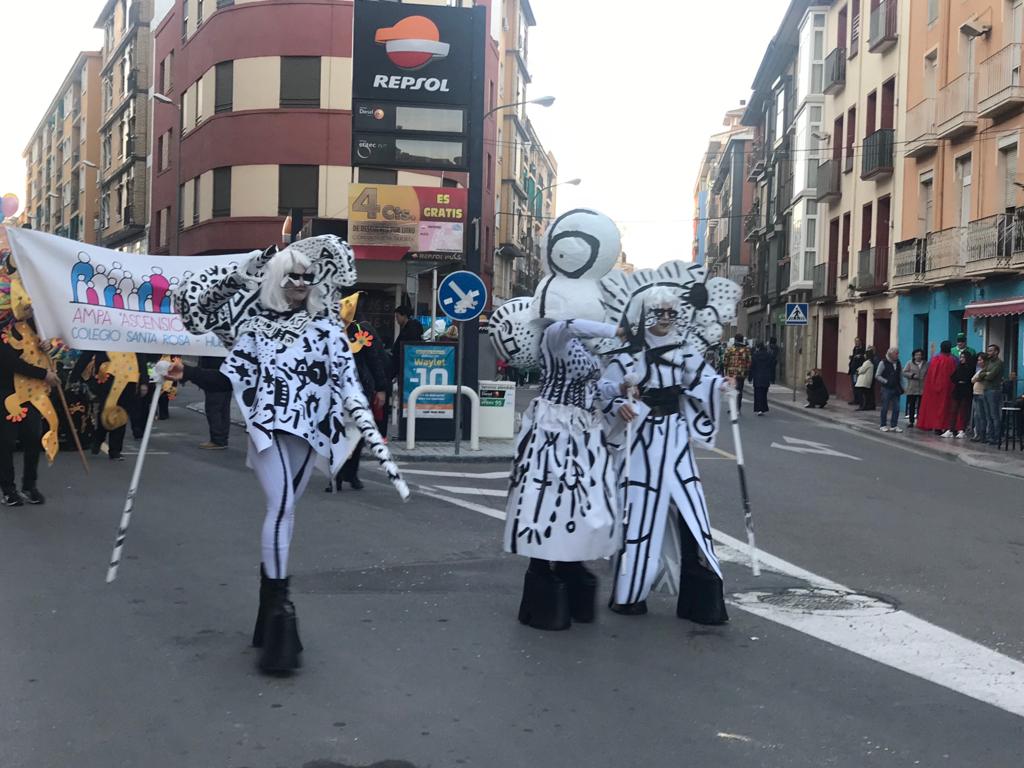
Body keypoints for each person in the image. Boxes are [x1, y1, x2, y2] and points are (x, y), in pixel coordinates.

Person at [172, 235, 408, 674]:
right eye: (292, 276)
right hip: (267, 433)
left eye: (306, 277)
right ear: (278, 280)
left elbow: (347, 384)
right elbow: (228, 378)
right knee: (280, 508)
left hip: (309, 436)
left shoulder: (327, 329)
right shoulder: (256, 330)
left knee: (287, 514)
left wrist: (373, 436)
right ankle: (281, 607)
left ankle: (268, 613)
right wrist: (184, 371)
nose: (300, 283)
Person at [603, 285, 736, 625]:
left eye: (670, 312)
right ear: (645, 314)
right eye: (658, 312)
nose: (664, 318)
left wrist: (721, 385)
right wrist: (621, 404)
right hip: (643, 441)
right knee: (641, 518)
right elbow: (605, 389)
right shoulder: (629, 351)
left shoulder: (684, 349)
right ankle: (630, 594)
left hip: (675, 438)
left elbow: (702, 378)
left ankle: (701, 598)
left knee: (695, 513)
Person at [0, 317, 60, 506]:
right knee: (6, 442)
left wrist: (48, 346)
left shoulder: (38, 327)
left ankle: (29, 485)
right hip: (7, 392)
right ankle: (8, 489)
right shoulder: (4, 328)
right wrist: (43, 374)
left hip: (33, 393)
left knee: (33, 439)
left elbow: (51, 353)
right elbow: (10, 363)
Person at [329, 313, 388, 491]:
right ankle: (346, 474)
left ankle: (344, 473)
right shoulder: (335, 331)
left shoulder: (360, 333)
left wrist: (380, 387)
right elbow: (377, 361)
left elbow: (375, 361)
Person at [70, 351, 140, 461]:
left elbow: (141, 354)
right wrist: (75, 375)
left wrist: (144, 379)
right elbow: (89, 351)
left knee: (121, 412)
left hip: (129, 377)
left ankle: (115, 450)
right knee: (105, 409)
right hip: (107, 375)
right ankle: (99, 437)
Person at [916, 341, 958, 434]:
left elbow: (930, 374)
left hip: (933, 388)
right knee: (945, 408)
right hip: (947, 388)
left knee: (934, 408)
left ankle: (935, 426)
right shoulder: (951, 360)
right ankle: (943, 426)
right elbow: (954, 375)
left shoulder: (935, 359)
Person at [977, 344, 1005, 446]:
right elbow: (980, 374)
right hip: (986, 389)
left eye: (991, 351)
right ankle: (990, 437)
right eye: (988, 351)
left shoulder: (999, 363)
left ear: (996, 352)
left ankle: (996, 437)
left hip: (994, 390)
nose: (989, 353)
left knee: (994, 415)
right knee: (988, 415)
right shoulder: (988, 362)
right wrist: (985, 373)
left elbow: (991, 376)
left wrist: (986, 374)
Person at [944, 351, 974, 439]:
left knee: (963, 412)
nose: (961, 359)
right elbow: (953, 377)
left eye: (963, 357)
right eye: (960, 357)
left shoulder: (971, 368)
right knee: (953, 411)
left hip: (966, 392)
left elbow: (970, 379)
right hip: (957, 391)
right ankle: (951, 429)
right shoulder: (959, 367)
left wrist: (963, 381)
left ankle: (962, 430)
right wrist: (959, 381)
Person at [875, 346, 904, 432]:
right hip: (886, 388)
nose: (897, 355)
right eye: (896, 353)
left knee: (897, 407)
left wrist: (903, 386)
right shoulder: (883, 363)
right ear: (890, 354)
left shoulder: (898, 363)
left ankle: (894, 425)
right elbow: (877, 375)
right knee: (885, 407)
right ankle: (883, 425)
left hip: (896, 388)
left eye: (898, 353)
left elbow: (901, 375)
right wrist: (885, 381)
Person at [722, 333, 751, 414]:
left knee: (732, 390)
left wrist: (726, 369)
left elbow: (725, 361)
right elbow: (749, 362)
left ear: (735, 340)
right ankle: (738, 409)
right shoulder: (746, 350)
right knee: (740, 391)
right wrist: (746, 370)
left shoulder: (730, 349)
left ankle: (732, 408)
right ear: (742, 340)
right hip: (741, 373)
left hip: (731, 374)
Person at [903, 349, 927, 428]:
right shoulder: (909, 363)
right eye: (916, 355)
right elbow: (904, 372)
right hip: (912, 388)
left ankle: (920, 421)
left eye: (920, 355)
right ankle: (911, 421)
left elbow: (929, 373)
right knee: (912, 405)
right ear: (914, 356)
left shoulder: (926, 364)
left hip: (922, 388)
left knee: (921, 406)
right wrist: (912, 375)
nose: (918, 356)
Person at [748, 341, 773, 415]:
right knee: (764, 394)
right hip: (766, 377)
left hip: (757, 377)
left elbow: (752, 367)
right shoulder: (769, 355)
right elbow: (772, 365)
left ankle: (758, 408)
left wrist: (750, 377)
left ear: (758, 347)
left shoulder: (755, 355)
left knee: (757, 394)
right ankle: (763, 408)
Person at [970, 353, 989, 442]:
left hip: (982, 394)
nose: (979, 362)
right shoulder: (979, 370)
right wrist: (978, 377)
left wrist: (978, 377)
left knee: (982, 416)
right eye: (978, 360)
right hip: (976, 394)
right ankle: (977, 434)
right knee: (976, 416)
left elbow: (980, 378)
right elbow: (973, 379)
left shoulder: (987, 370)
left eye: (980, 360)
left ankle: (983, 435)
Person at [848, 338, 866, 405]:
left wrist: (860, 356)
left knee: (857, 385)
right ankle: (856, 399)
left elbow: (864, 357)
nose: (856, 343)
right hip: (853, 370)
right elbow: (854, 357)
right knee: (854, 385)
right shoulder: (855, 348)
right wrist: (852, 357)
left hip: (858, 370)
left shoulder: (863, 349)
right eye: (855, 341)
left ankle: (859, 400)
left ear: (860, 342)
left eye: (857, 341)